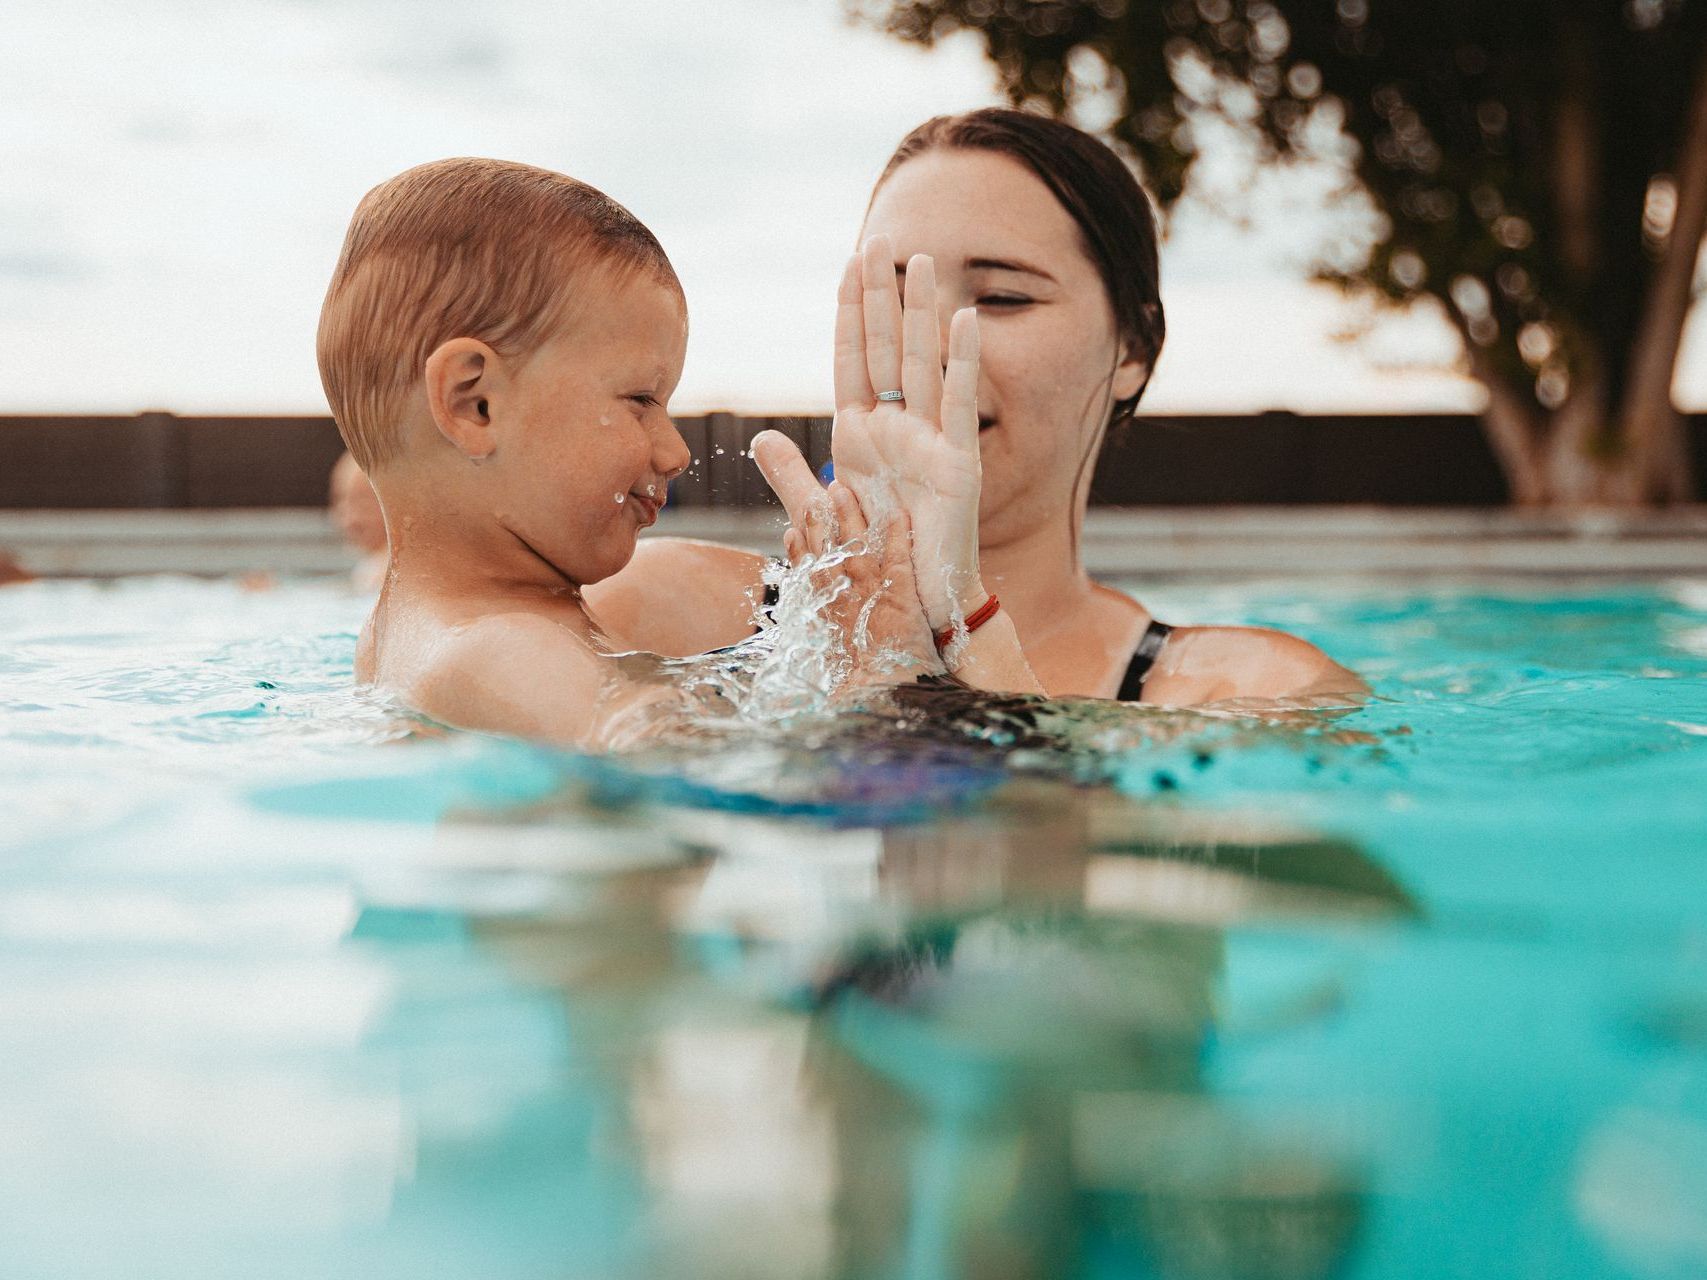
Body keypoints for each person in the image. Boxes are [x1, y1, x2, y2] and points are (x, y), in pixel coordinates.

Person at [587, 110, 1363, 705]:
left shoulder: (1248, 691)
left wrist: (953, 638)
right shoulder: (656, 614)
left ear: (1132, 348)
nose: (933, 346)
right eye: (890, 298)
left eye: (1000, 297)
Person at [316, 157, 1038, 747]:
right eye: (639, 400)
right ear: (475, 404)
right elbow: (688, 776)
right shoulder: (506, 654)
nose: (673, 452)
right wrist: (870, 689)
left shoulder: (396, 638)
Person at [327, 451, 388, 591]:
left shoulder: (388, 575)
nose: (349, 521)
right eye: (339, 500)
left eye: (364, 504)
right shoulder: (370, 568)